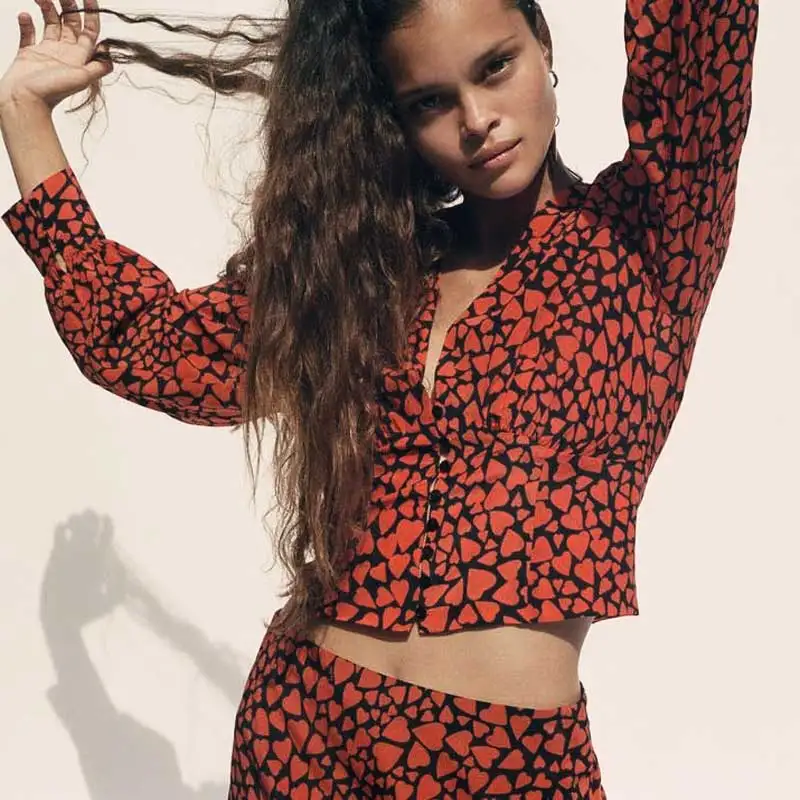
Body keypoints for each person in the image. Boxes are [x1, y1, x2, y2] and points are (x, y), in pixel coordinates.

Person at [0, 0, 759, 797]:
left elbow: (701, 38)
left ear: (542, 44)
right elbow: (144, 344)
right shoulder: (372, 267)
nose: (477, 120)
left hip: (500, 761)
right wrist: (23, 112)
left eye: (495, 67)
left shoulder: (648, 233)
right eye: (429, 101)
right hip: (300, 723)